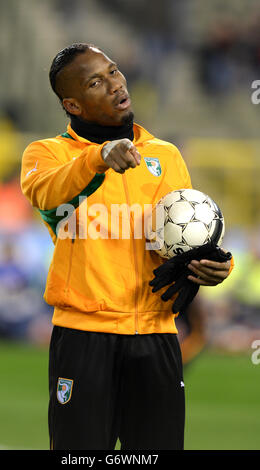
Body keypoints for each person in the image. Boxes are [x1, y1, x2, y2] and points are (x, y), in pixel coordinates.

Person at [20, 43, 234, 451]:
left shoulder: (165, 156)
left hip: (156, 337)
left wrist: (217, 265)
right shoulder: (48, 155)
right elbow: (47, 193)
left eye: (114, 72)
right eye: (96, 82)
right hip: (84, 336)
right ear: (73, 104)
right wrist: (100, 156)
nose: (115, 84)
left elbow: (187, 238)